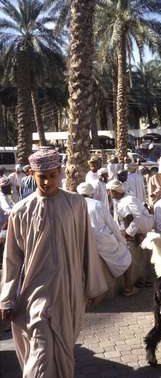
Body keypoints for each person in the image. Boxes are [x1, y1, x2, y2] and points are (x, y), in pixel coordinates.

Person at [0, 149, 107, 378]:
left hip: (68, 293)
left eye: (52, 175)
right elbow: (11, 258)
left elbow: (87, 245)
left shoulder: (76, 204)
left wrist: (93, 285)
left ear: (60, 173)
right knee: (41, 352)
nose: (47, 181)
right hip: (34, 295)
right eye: (42, 176)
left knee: (63, 351)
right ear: (31, 174)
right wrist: (7, 298)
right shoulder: (20, 211)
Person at [77, 182, 135, 297]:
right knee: (126, 257)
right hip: (102, 240)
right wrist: (122, 241)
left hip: (84, 241)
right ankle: (129, 288)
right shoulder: (97, 204)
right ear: (91, 193)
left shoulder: (75, 206)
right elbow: (112, 225)